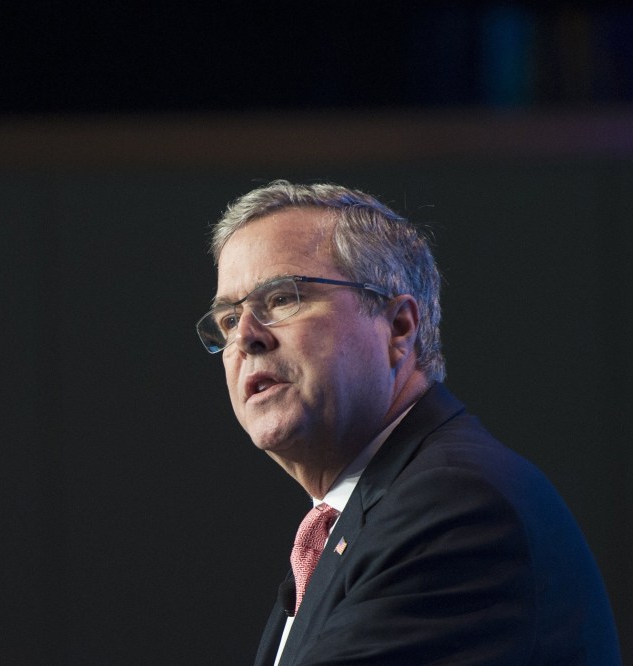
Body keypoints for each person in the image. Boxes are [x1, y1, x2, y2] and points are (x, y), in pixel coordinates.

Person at [195, 181, 621, 664]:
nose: (245, 336)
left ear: (398, 327)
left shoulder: (454, 506)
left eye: (281, 298)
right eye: (229, 318)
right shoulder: (355, 519)